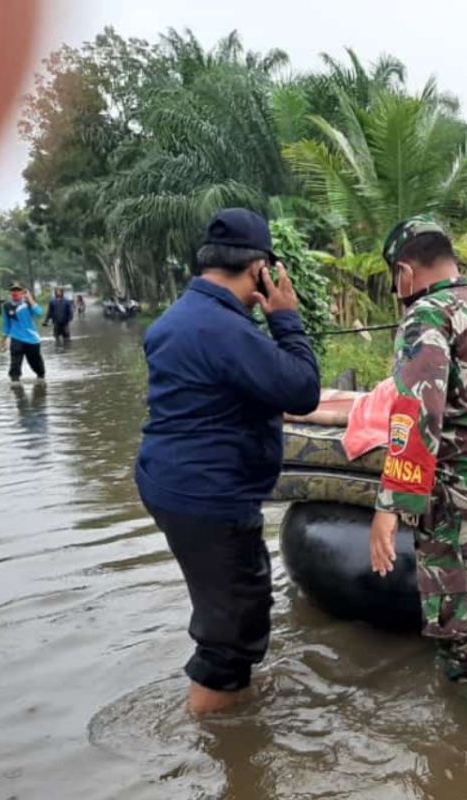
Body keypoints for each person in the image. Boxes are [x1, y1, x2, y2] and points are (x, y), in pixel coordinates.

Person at [135, 208, 320, 715]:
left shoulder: (177, 320)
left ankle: (234, 703)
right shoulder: (224, 330)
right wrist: (286, 318)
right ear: (261, 268)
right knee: (231, 628)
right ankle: (224, 746)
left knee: (230, 604)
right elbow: (302, 390)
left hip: (171, 482)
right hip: (208, 494)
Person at [368, 216, 467, 707]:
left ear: (403, 272)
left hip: (461, 497)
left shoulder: (426, 315)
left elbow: (417, 414)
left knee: (462, 634)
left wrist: (388, 506)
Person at [0, 282, 46, 383]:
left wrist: (30, 299)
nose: (15, 292)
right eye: (13, 291)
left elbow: (39, 313)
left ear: (22, 292)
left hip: (32, 340)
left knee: (36, 364)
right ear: (10, 293)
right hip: (16, 339)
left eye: (17, 290)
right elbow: (6, 325)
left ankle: (41, 379)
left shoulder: (28, 304)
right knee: (15, 364)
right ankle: (15, 384)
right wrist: (3, 341)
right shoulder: (7, 306)